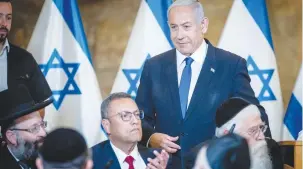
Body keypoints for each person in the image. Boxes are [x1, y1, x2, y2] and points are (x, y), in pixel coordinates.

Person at [135, 0, 270, 168]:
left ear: (203, 25)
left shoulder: (231, 65)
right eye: (173, 27)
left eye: (186, 26)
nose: (179, 35)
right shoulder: (153, 67)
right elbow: (139, 118)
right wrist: (150, 138)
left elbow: (255, 115)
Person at [186, 97, 280, 169]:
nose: (261, 137)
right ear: (228, 135)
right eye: (253, 130)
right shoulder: (202, 157)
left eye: (261, 128)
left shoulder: (272, 150)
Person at [91, 92, 170, 169]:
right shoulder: (91, 160)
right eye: (125, 116)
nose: (135, 121)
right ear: (107, 125)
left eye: (137, 114)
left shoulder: (160, 158)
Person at [0, 0, 52, 100]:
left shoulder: (25, 59)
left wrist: (27, 115)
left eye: (8, 18)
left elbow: (41, 104)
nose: (4, 23)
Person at [0, 83, 53, 169]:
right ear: (12, 137)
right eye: (34, 128)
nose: (43, 133)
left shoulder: (49, 161)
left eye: (42, 125)